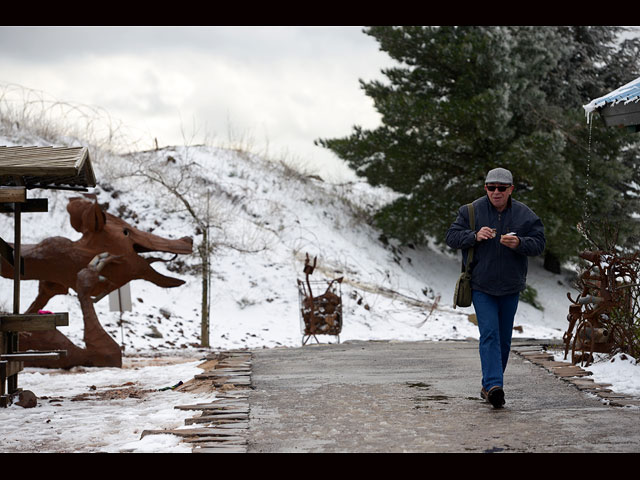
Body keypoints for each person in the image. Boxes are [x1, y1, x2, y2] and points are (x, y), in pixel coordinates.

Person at [445, 167, 546, 408]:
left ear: (511, 189)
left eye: (502, 188)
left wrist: (520, 243)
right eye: (491, 187)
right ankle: (494, 386)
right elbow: (451, 237)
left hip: (511, 287)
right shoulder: (471, 211)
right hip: (481, 285)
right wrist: (474, 236)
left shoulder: (524, 214)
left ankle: (489, 384)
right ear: (486, 189)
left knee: (504, 340)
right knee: (489, 334)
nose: (496, 192)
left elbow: (539, 243)